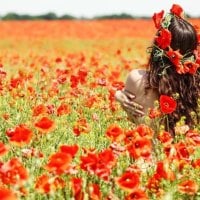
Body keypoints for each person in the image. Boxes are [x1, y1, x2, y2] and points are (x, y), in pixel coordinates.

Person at [115, 4, 200, 134]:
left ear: (157, 47)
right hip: (182, 153)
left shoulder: (136, 79)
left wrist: (117, 95)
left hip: (142, 153)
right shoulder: (195, 87)